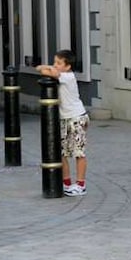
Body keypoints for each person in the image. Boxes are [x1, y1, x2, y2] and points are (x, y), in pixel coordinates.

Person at [37, 49, 89, 196]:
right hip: (65, 118)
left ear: (68, 66)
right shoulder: (61, 74)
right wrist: (45, 67)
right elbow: (39, 69)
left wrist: (46, 68)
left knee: (79, 152)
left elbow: (47, 72)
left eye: (59, 63)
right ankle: (66, 183)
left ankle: (80, 185)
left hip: (77, 117)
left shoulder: (68, 76)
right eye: (54, 62)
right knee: (62, 152)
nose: (55, 65)